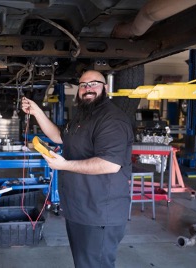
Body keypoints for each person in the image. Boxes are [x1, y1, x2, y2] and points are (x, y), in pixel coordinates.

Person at [21, 70, 134, 268]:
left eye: (94, 84)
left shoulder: (111, 120)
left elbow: (110, 164)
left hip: (100, 213)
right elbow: (58, 136)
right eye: (83, 85)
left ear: (105, 88)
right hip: (80, 209)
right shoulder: (84, 115)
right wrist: (37, 111)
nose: (87, 88)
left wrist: (63, 165)